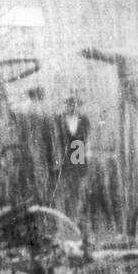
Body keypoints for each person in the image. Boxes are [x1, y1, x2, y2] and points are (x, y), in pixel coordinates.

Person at [54, 91, 90, 225]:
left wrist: (79, 159)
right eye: (69, 104)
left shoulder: (83, 120)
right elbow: (56, 141)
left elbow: (83, 140)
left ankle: (76, 219)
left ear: (78, 105)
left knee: (77, 190)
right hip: (63, 158)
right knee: (63, 190)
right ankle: (63, 220)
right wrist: (58, 160)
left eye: (74, 104)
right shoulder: (59, 120)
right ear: (66, 106)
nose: (71, 107)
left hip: (78, 155)